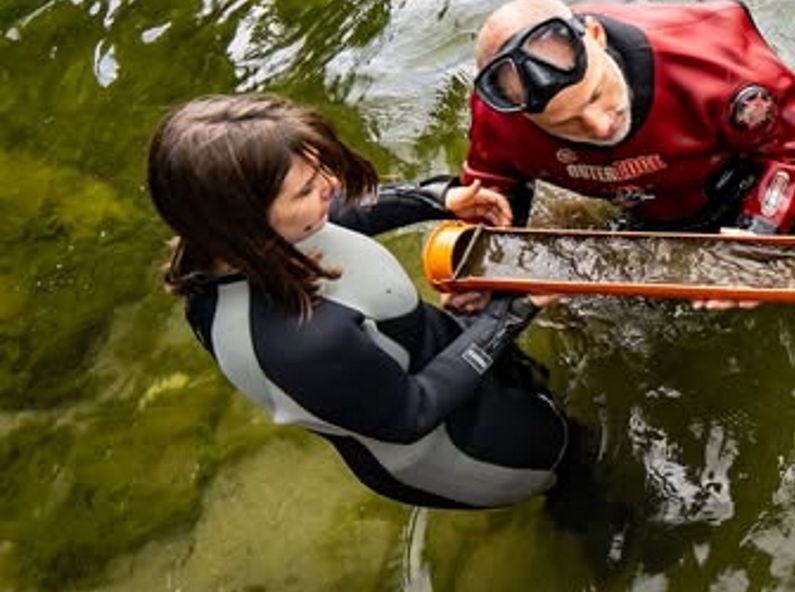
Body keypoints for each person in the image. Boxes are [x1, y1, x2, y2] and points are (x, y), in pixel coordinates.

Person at [148, 93, 574, 509]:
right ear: (242, 223)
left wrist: (438, 198)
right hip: (464, 451)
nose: (331, 187)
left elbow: (333, 217)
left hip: (443, 357)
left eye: (320, 173)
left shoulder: (237, 244)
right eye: (306, 190)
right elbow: (414, 412)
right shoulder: (301, 343)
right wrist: (513, 310)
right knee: (575, 459)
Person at [459, 0, 795, 234]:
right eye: (567, 123)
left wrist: (761, 229)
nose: (600, 127)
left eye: (597, 95)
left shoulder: (716, 66)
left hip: (735, 182)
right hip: (638, 209)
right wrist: (478, 267)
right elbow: (490, 183)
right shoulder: (500, 115)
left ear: (596, 35)